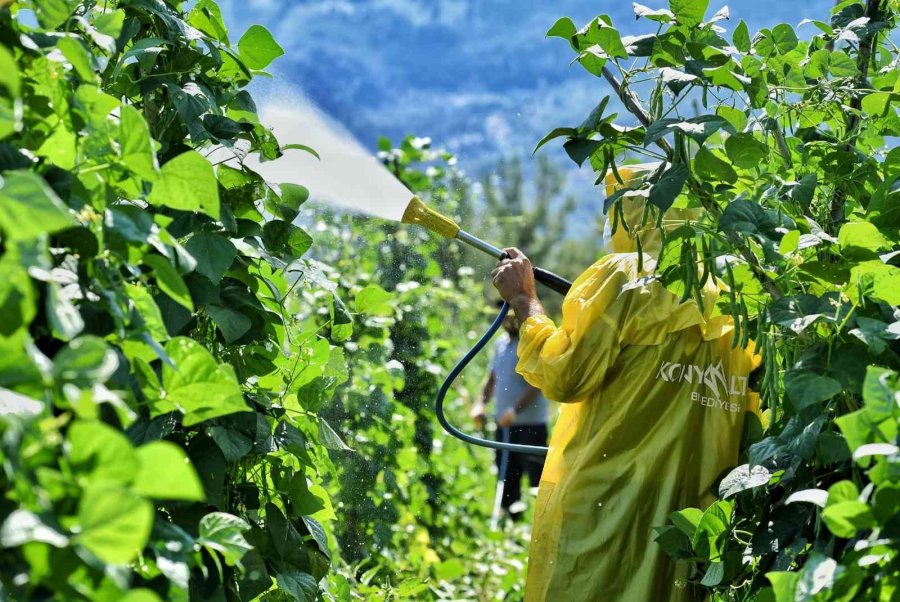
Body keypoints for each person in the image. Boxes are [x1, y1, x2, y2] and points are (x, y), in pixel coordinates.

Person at [490, 165, 761, 602]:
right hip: (690, 534)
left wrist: (525, 300)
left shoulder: (626, 275)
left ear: (634, 214)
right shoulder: (741, 298)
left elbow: (563, 375)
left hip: (604, 521)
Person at [471, 301, 549, 521]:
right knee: (507, 477)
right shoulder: (501, 345)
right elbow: (492, 378)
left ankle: (542, 524)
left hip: (531, 426)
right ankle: (511, 524)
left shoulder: (530, 344)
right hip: (504, 426)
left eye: (512, 316)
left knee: (538, 478)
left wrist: (514, 411)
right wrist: (480, 404)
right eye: (504, 316)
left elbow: (537, 384)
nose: (508, 321)